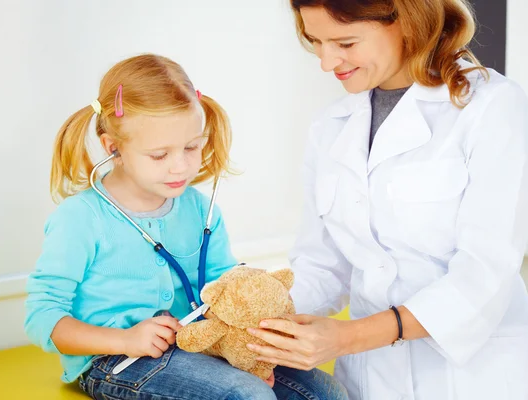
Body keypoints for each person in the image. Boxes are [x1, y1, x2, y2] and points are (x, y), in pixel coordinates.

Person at [246, 2, 528, 399]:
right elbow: (322, 265)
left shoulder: (491, 105)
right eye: (316, 42)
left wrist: (349, 337)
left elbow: (484, 274)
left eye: (344, 42)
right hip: (369, 380)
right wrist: (251, 321)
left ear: (408, 22)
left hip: (476, 378)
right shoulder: (330, 126)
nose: (327, 62)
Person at [24, 53, 347, 400]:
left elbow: (221, 286)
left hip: (198, 345)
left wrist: (253, 349)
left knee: (323, 391)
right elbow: (43, 315)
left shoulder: (198, 208)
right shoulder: (80, 218)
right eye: (160, 155)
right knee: (246, 395)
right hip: (117, 359)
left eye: (191, 147)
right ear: (113, 147)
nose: (181, 167)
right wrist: (126, 338)